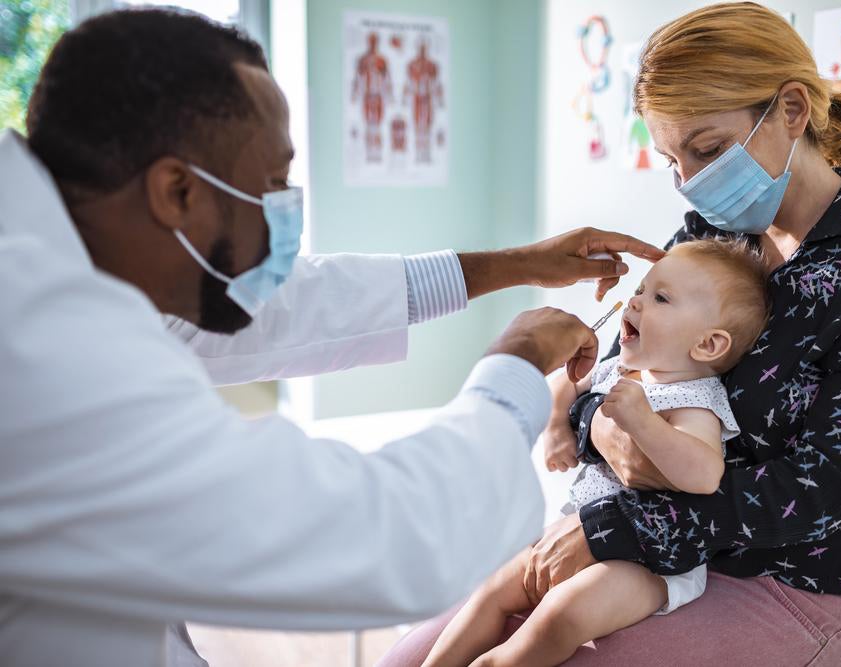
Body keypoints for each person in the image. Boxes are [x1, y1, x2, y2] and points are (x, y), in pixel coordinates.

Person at [0, 9, 666, 667]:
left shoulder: (69, 265)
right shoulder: (39, 357)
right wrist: (516, 365)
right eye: (272, 184)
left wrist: (520, 265)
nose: (285, 214)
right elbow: (391, 535)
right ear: (176, 191)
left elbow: (293, 303)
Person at [379, 3, 841, 665]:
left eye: (707, 150)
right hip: (631, 543)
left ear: (792, 111)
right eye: (672, 158)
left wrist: (616, 523)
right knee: (411, 656)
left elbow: (834, 488)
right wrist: (597, 417)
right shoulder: (705, 238)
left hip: (784, 577)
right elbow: (607, 372)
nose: (689, 182)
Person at [422, 240, 769, 666]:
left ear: (708, 345)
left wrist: (643, 422)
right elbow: (565, 384)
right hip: (579, 523)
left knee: (559, 615)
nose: (637, 302)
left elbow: (703, 474)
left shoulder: (696, 401)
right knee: (492, 589)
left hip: (647, 562)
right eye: (642, 289)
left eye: (660, 298)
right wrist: (555, 427)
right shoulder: (620, 369)